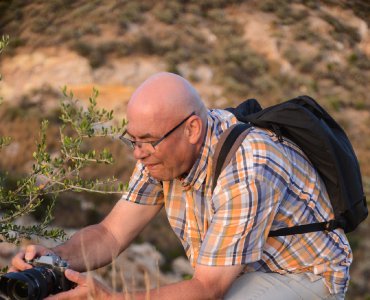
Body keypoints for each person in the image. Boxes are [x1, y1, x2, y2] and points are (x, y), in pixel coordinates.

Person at [10, 72, 351, 300]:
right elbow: (110, 234)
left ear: (191, 129)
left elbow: (207, 286)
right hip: (236, 271)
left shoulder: (248, 165)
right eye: (132, 140)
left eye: (147, 141)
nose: (139, 154)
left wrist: (112, 298)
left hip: (305, 276)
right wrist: (55, 259)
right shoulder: (160, 152)